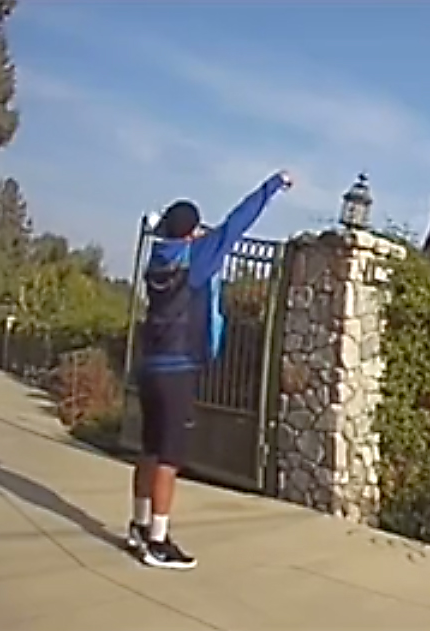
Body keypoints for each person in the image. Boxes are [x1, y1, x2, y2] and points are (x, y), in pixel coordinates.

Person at [127, 170, 292, 570]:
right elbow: (238, 221)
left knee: (149, 450)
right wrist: (273, 185)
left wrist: (187, 234)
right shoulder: (197, 260)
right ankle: (158, 541)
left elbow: (181, 238)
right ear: (192, 231)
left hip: (150, 366)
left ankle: (139, 525)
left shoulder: (159, 259)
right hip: (178, 368)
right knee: (169, 458)